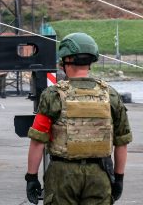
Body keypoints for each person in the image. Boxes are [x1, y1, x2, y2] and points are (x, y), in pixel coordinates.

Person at [25, 32, 132, 205]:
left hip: (62, 174)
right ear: (91, 61)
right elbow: (122, 142)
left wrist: (31, 177)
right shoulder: (111, 95)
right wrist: (119, 178)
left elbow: (38, 140)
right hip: (100, 174)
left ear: (66, 60)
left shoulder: (52, 95)